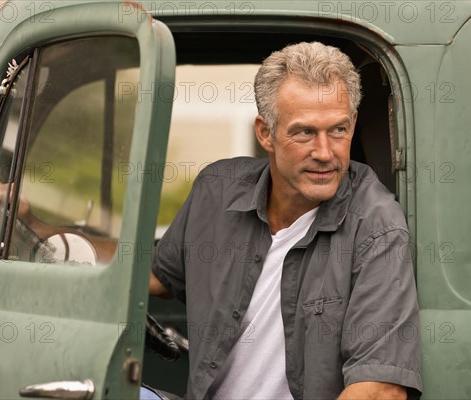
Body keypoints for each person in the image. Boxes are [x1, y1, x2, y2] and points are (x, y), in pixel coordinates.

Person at [148, 41, 422, 399]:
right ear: (265, 133)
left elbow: (380, 391)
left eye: (338, 130)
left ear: (353, 123)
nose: (325, 153)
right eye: (305, 132)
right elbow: (159, 278)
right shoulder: (216, 190)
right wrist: (70, 249)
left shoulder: (376, 225)